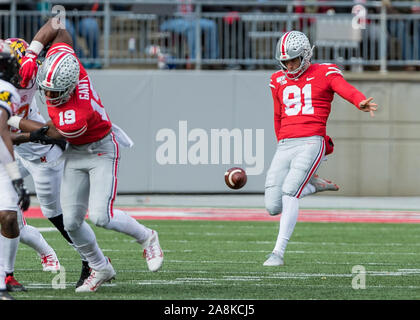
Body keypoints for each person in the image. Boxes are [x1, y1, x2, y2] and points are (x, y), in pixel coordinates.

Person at [18, 18, 164, 292]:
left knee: (101, 216)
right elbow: (57, 24)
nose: (47, 94)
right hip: (75, 153)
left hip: (99, 150)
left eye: (53, 92)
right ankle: (100, 267)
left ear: (69, 87)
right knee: (72, 222)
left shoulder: (76, 113)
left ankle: (147, 238)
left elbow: (48, 132)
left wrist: (11, 127)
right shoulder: (64, 59)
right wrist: (32, 52)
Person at [263, 31, 377, 267]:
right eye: (285, 61)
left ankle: (277, 253)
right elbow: (278, 115)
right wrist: (280, 142)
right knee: (273, 206)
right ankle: (313, 185)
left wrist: (360, 101)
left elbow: (344, 88)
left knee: (290, 191)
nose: (290, 65)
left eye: (294, 59)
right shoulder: (277, 80)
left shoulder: (325, 72)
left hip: (312, 140)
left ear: (306, 55)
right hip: (286, 143)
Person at [5, 37, 95, 289]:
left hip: (43, 156)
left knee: (56, 215)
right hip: (20, 150)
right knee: (6, 214)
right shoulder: (14, 80)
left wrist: (33, 54)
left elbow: (56, 25)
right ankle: (23, 263)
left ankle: (91, 259)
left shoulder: (30, 77)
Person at [0, 40, 31, 300]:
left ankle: (3, 278)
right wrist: (16, 177)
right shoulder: (6, 88)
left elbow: (4, 134)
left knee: (9, 217)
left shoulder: (7, 90)